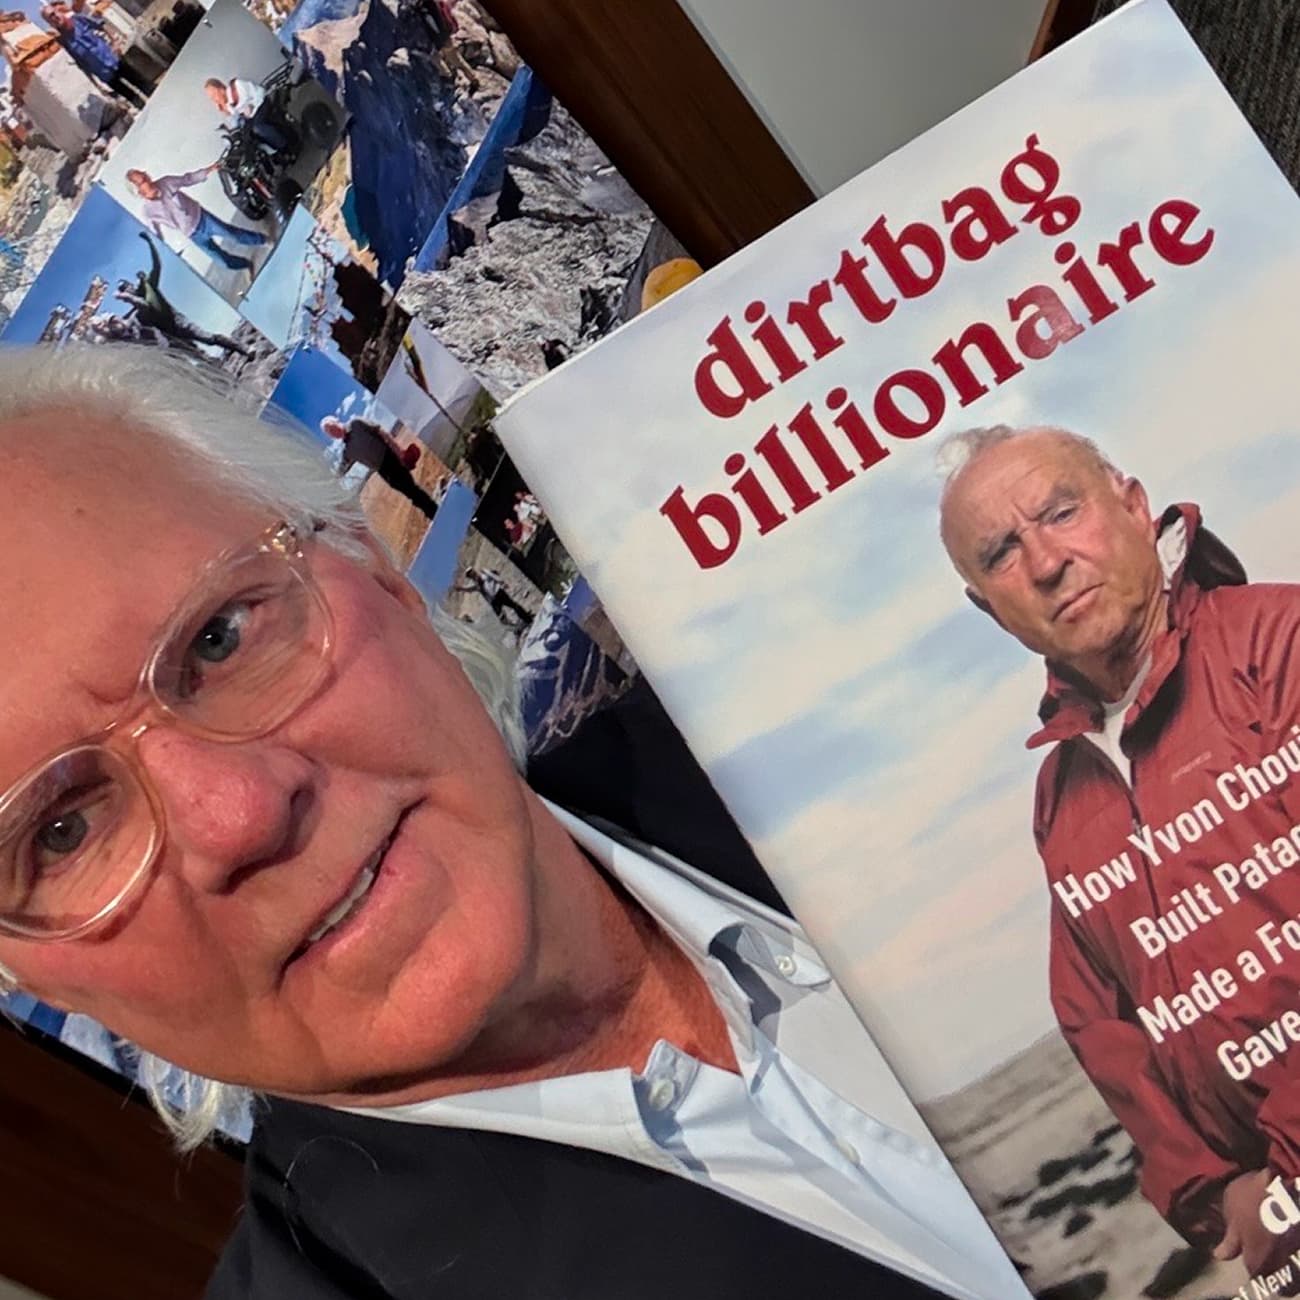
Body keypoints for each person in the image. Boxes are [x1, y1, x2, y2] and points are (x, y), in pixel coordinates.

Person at [0, 345, 1020, 1300]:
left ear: (373, 566)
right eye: (60, 834)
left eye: (219, 640)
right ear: (28, 975)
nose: (242, 814)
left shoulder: (883, 677)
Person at [939, 424, 1300, 1283]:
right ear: (989, 608)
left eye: (1061, 513)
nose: (1047, 562)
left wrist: (1285, 1183)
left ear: (1133, 507)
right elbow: (1096, 1019)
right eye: (1001, 554)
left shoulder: (1275, 641)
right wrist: (1212, 1194)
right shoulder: (1062, 793)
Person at [113, 233, 251, 357]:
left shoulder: (149, 285)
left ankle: (243, 348)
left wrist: (150, 243)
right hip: (172, 335)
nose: (127, 289)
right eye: (123, 289)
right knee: (196, 355)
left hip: (179, 321)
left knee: (208, 339)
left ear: (130, 284)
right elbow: (134, 323)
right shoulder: (137, 312)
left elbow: (157, 265)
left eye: (126, 286)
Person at [125, 166, 268, 274]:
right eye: (143, 179)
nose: (148, 177)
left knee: (233, 235)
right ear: (139, 191)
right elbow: (156, 234)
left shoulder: (166, 182)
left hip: (203, 218)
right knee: (223, 262)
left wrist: (209, 170)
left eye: (144, 174)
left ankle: (264, 241)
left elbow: (188, 179)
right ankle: (245, 264)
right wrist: (162, 252)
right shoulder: (148, 212)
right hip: (192, 234)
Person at [320, 413, 439, 520]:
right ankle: (432, 512)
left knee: (411, 489)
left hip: (390, 457)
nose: (334, 432)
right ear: (332, 437)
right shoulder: (347, 452)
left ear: (336, 421)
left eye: (332, 427)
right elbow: (340, 471)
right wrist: (327, 483)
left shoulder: (356, 423)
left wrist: (399, 452)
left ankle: (434, 512)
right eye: (330, 432)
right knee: (409, 492)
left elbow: (380, 432)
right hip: (383, 471)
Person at [43, 0, 151, 109]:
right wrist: (96, 85)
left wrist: (115, 42)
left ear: (58, 11)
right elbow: (81, 63)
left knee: (145, 85)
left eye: (53, 14)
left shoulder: (78, 19)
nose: (54, 18)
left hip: (114, 59)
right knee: (135, 100)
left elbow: (100, 25)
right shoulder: (63, 41)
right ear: (49, 23)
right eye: (50, 18)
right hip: (104, 74)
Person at [202, 75, 290, 154]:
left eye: (214, 95)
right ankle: (272, 153)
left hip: (261, 104)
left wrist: (252, 105)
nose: (214, 99)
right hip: (251, 116)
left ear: (221, 89)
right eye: (211, 98)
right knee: (247, 138)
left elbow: (260, 92)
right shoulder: (228, 105)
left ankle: (285, 146)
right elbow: (236, 122)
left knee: (258, 128)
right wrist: (225, 112)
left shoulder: (237, 86)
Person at [454, 563, 532, 628]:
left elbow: (493, 576)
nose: (472, 575)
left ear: (474, 571)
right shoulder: (476, 585)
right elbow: (469, 589)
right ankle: (515, 626)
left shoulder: (484, 572)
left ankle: (528, 619)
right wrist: (461, 589)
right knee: (502, 618)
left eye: (471, 572)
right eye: (469, 575)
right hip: (493, 601)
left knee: (514, 606)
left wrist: (502, 582)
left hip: (499, 592)